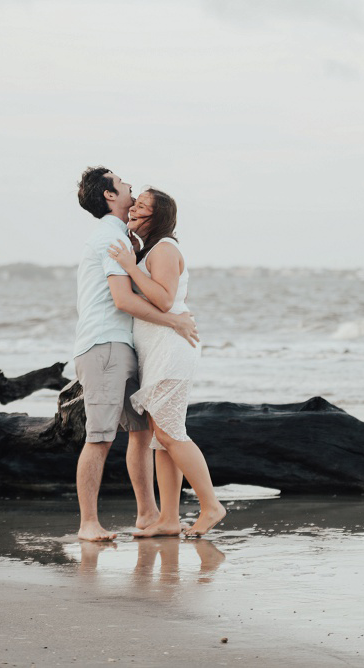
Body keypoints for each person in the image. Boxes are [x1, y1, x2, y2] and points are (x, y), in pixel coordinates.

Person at [74, 167, 199, 542]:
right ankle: (88, 524)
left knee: (142, 434)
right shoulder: (112, 238)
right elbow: (122, 299)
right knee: (99, 437)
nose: (129, 185)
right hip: (105, 345)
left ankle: (148, 514)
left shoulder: (124, 237)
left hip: (123, 347)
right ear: (110, 196)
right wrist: (174, 321)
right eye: (122, 182)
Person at [107, 188, 227, 537]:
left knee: (172, 434)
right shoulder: (151, 250)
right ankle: (169, 519)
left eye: (142, 206)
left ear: (157, 217)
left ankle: (211, 505)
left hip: (172, 351)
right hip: (159, 350)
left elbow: (163, 299)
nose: (134, 208)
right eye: (137, 202)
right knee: (162, 437)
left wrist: (130, 266)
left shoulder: (164, 249)